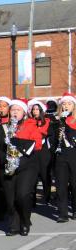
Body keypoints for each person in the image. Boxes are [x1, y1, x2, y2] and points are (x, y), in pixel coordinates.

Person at [0, 98, 41, 235]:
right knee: (10, 198)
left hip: (26, 166)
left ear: (24, 113)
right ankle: (13, 225)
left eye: (18, 110)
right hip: (8, 166)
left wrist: (17, 142)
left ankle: (25, 221)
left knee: (22, 195)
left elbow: (37, 144)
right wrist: (4, 157)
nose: (14, 112)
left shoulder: (30, 126)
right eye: (12, 109)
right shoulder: (2, 128)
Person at [54, 92, 76, 222]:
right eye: (64, 104)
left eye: (69, 104)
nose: (66, 106)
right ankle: (63, 213)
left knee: (74, 184)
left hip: (74, 154)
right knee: (61, 185)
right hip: (61, 154)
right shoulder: (57, 120)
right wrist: (60, 123)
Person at [28, 99, 52, 205]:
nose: (35, 111)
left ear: (41, 110)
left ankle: (47, 197)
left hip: (43, 151)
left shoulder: (46, 121)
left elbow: (45, 133)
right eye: (33, 109)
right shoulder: (29, 122)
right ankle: (32, 198)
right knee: (32, 175)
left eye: (37, 109)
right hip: (32, 150)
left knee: (45, 174)